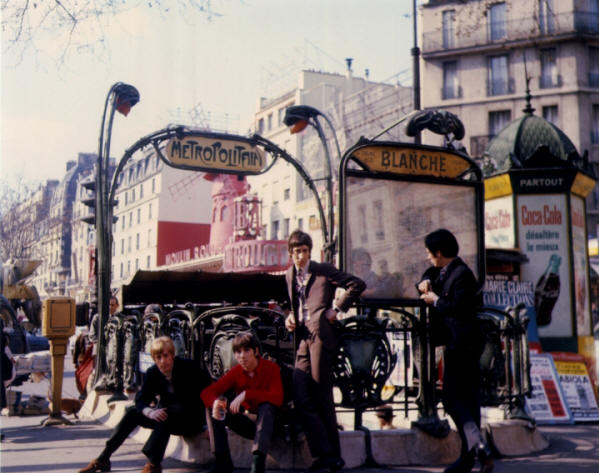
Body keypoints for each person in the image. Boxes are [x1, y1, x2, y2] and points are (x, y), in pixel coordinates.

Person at [284, 230, 366, 473]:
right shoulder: (288, 275)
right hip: (302, 339)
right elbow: (293, 306)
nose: (300, 256)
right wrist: (290, 317)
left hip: (321, 336)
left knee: (321, 395)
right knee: (300, 394)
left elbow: (356, 284)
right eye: (296, 252)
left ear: (310, 251)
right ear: (290, 253)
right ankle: (322, 454)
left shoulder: (323, 270)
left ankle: (332, 457)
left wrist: (337, 309)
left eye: (304, 251)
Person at [417, 229, 493, 473]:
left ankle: (478, 445)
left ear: (439, 253)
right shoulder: (447, 271)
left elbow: (457, 308)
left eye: (430, 253)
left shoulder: (462, 275)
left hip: (462, 345)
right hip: (460, 344)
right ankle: (470, 456)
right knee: (469, 402)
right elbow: (431, 275)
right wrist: (425, 281)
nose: (428, 257)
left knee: (451, 399)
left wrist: (435, 301)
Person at [77, 336, 210, 473]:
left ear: (172, 355)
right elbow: (141, 398)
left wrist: (209, 425)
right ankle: (103, 458)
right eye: (158, 357)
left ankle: (153, 465)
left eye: (166, 356)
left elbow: (208, 393)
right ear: (154, 359)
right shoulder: (153, 372)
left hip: (190, 419)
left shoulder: (188, 367)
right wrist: (149, 412)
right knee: (133, 413)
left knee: (165, 416)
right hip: (167, 416)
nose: (163, 361)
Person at [201, 331, 284, 473]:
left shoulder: (271, 368)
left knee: (266, 406)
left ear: (256, 351)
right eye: (238, 352)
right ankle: (223, 462)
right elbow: (206, 393)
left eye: (246, 350)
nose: (242, 356)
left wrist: (247, 394)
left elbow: (278, 398)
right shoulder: (236, 372)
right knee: (213, 407)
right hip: (249, 423)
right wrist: (215, 403)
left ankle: (257, 465)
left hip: (271, 425)